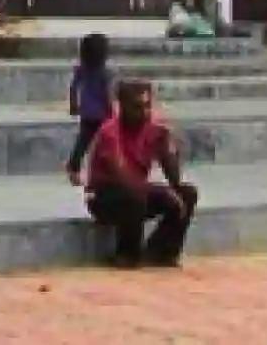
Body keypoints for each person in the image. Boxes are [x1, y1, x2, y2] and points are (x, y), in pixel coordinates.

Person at [85, 80, 199, 269]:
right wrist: (160, 191)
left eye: (147, 106)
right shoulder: (109, 133)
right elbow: (123, 178)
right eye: (137, 107)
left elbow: (174, 179)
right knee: (134, 196)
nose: (144, 113)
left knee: (187, 193)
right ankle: (126, 255)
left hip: (138, 194)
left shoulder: (154, 129)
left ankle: (160, 252)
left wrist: (168, 149)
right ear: (121, 106)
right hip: (104, 197)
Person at [66, 33, 114, 186]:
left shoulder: (81, 69)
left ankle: (73, 167)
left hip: (86, 112)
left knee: (83, 141)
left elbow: (74, 87)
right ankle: (105, 172)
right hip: (101, 114)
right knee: (106, 143)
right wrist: (111, 111)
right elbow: (107, 94)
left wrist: (73, 105)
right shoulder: (105, 73)